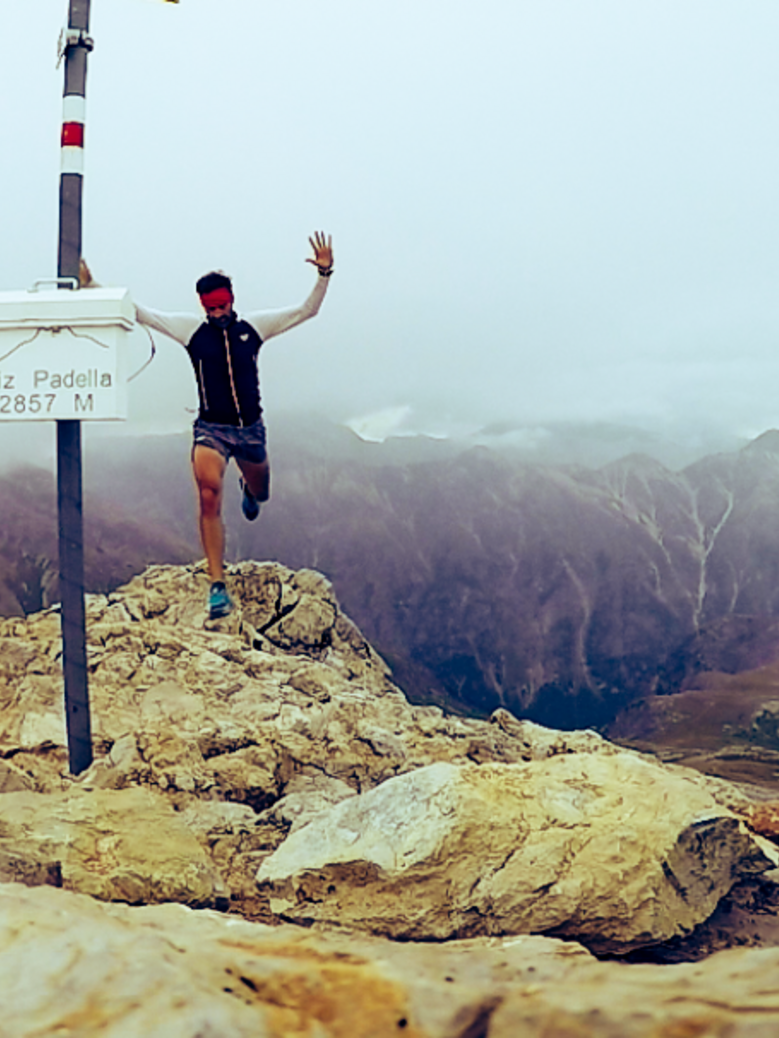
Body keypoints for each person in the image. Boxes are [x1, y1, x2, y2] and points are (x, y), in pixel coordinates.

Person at [81, 232, 333, 619]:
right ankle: (217, 585)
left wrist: (324, 273)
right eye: (210, 307)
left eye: (222, 304)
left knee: (262, 492)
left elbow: (306, 312)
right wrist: (93, 285)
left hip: (250, 430)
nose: (216, 312)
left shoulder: (254, 328)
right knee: (208, 494)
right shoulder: (191, 332)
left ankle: (250, 490)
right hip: (210, 429)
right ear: (202, 306)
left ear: (232, 299)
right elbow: (141, 312)